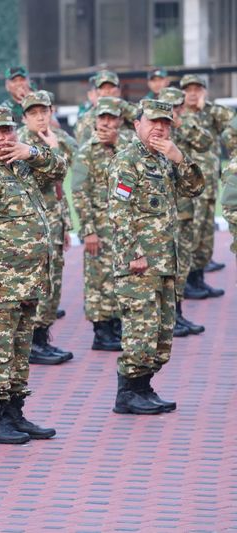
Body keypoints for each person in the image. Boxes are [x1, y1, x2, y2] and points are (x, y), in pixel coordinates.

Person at [0, 107, 64, 445]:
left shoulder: (20, 164)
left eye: (7, 131)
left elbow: (61, 167)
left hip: (25, 281)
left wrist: (31, 151)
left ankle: (14, 413)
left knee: (19, 350)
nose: (3, 138)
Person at [108, 99, 204, 415]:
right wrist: (135, 253)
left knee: (161, 334)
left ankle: (143, 387)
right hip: (139, 265)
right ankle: (128, 394)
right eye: (153, 122)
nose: (159, 129)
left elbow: (194, 189)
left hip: (163, 262)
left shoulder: (163, 160)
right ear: (137, 124)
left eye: (165, 124)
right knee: (141, 331)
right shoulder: (127, 162)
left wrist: (179, 158)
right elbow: (119, 211)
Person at [71, 97, 133, 352]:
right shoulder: (86, 152)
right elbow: (79, 193)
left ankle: (117, 325)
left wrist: (118, 142)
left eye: (111, 118)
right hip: (99, 225)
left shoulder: (128, 148)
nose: (107, 123)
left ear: (119, 120)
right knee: (98, 279)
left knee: (122, 276)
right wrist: (88, 231)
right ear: (95, 120)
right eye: (102, 118)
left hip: (124, 227)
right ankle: (101, 331)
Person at [17, 91, 75, 364]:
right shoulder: (20, 144)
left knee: (54, 282)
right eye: (33, 114)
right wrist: (53, 151)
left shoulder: (56, 138)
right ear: (25, 117)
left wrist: (65, 227)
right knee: (38, 283)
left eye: (44, 112)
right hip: (32, 229)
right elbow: (48, 175)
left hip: (54, 221)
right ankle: (32, 342)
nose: (40, 118)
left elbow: (75, 163)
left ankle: (43, 336)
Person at [158, 87, 212, 336]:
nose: (175, 111)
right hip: (164, 215)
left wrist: (182, 124)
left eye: (177, 107)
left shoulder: (182, 128)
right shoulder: (155, 136)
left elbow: (206, 142)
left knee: (183, 262)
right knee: (169, 267)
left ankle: (178, 314)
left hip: (186, 209)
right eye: (170, 107)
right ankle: (169, 318)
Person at [180, 74, 234, 291]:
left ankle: (199, 278)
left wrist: (208, 106)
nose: (193, 93)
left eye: (197, 89)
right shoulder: (176, 115)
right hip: (191, 187)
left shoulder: (211, 111)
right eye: (188, 89)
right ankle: (188, 281)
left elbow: (232, 120)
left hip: (210, 183)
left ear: (204, 91)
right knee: (191, 234)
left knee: (205, 235)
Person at [74, 70, 137, 145]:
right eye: (103, 88)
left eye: (111, 87)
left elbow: (142, 119)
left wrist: (121, 104)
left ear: (119, 91)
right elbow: (82, 147)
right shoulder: (86, 118)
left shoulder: (128, 110)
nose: (107, 91)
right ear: (97, 92)